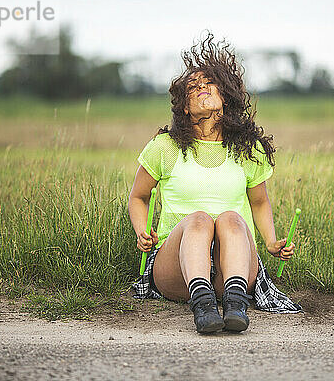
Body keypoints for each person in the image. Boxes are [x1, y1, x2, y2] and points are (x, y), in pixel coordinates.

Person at [128, 32, 302, 334]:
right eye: (193, 87)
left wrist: (272, 241)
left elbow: (259, 202)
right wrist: (143, 231)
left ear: (225, 96)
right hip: (175, 266)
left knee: (231, 219)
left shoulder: (247, 148)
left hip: (232, 267)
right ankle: (203, 306)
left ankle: (235, 305)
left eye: (209, 84)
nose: (202, 89)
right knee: (199, 221)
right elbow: (138, 197)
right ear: (184, 106)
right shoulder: (164, 147)